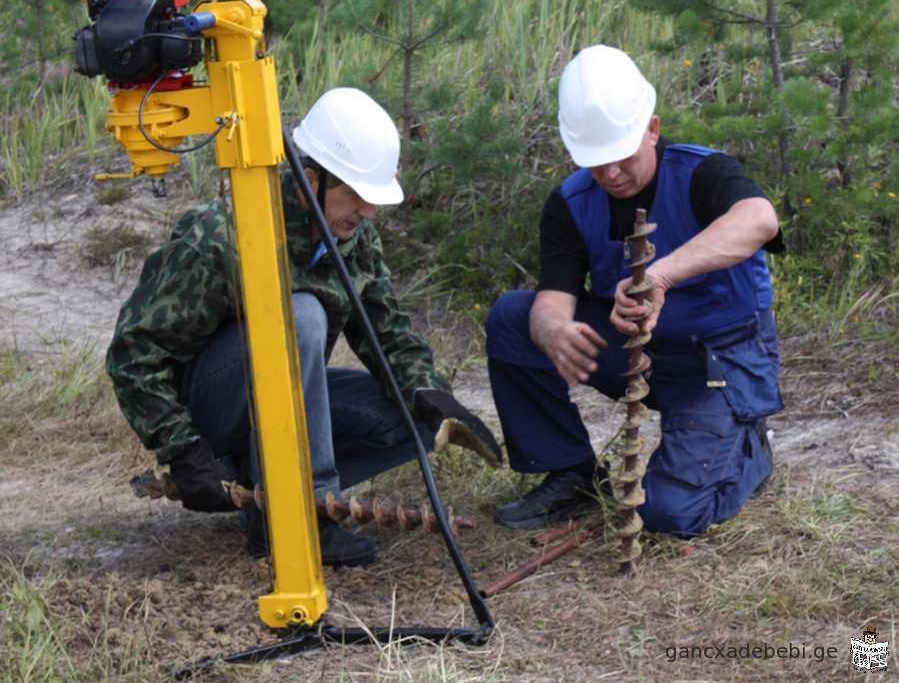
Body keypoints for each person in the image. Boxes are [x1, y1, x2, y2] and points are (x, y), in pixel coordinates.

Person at [107, 87, 500, 567]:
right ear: (309, 180)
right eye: (357, 194)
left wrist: (430, 394)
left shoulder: (355, 237)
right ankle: (302, 517)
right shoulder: (221, 237)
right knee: (302, 315)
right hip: (213, 413)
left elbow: (386, 330)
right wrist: (184, 447)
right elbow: (133, 354)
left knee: (414, 422)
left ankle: (263, 496)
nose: (369, 212)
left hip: (284, 402)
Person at [485, 45, 784, 536]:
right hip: (635, 353)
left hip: (718, 361)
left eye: (620, 157)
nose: (610, 175)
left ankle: (748, 443)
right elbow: (550, 303)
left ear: (651, 129)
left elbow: (760, 220)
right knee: (514, 317)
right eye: (595, 162)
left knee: (667, 513)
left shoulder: (704, 173)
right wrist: (553, 331)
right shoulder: (571, 201)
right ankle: (572, 475)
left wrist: (661, 276)